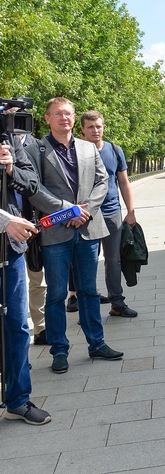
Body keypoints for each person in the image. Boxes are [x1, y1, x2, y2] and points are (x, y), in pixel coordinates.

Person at [26, 97, 123, 374]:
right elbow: (35, 189)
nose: (64, 118)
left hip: (88, 229)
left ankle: (97, 343)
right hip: (55, 233)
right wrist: (67, 211)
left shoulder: (88, 148)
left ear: (74, 117)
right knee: (56, 294)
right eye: (58, 114)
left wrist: (87, 210)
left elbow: (103, 180)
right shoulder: (37, 149)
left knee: (89, 291)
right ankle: (59, 350)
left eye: (68, 113)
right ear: (47, 118)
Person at [0, 133, 52, 425]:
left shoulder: (9, 137)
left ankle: (17, 400)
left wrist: (9, 168)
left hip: (11, 251)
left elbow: (31, 182)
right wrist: (5, 221)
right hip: (8, 229)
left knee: (18, 327)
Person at [80, 110, 138, 318]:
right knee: (87, 262)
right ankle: (88, 309)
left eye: (98, 126)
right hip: (86, 216)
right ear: (82, 130)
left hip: (112, 213)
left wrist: (130, 211)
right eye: (90, 127)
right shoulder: (77, 151)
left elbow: (123, 182)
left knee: (114, 260)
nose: (95, 130)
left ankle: (117, 303)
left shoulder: (114, 150)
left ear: (103, 127)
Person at [19, 132, 49, 345]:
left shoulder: (38, 147)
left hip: (34, 224)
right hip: (7, 225)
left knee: (37, 280)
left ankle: (40, 328)